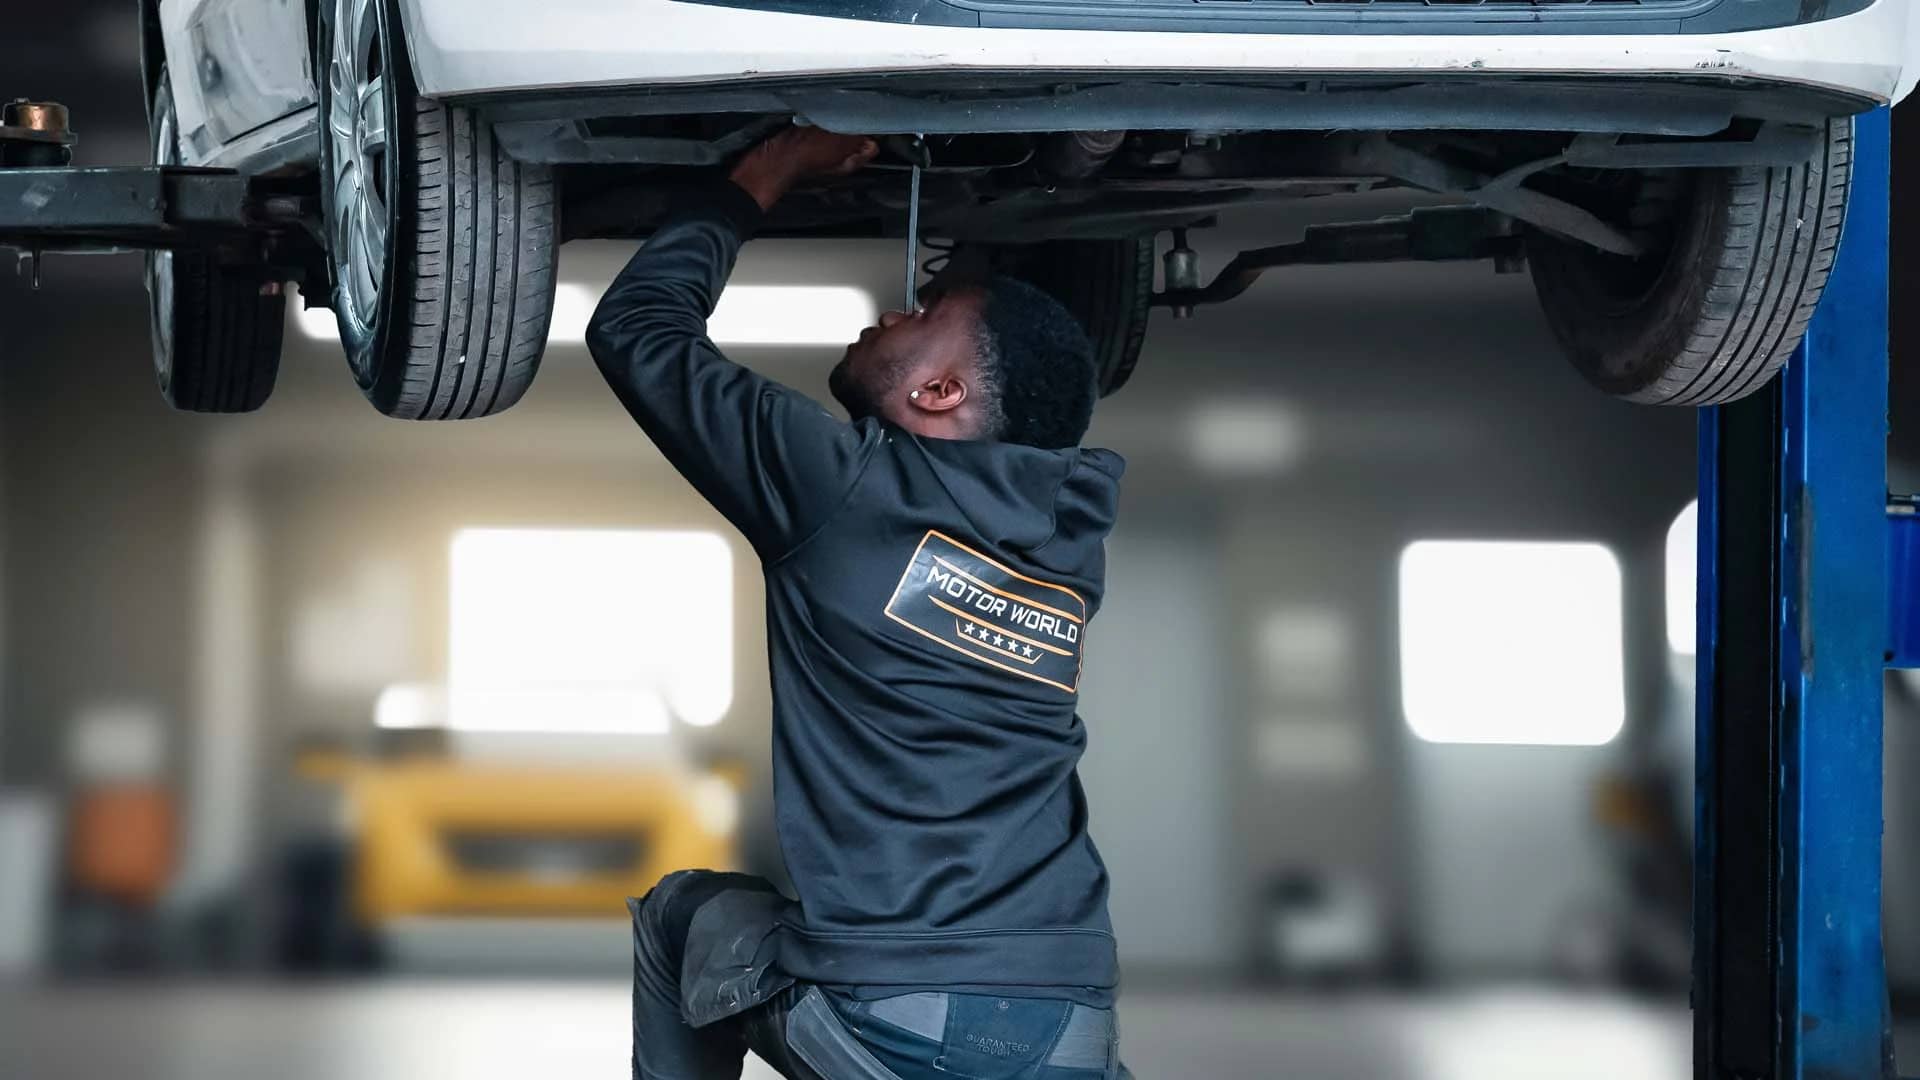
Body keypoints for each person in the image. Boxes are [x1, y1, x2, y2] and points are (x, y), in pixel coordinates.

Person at [588, 126, 1128, 1080]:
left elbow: (637, 327)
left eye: (919, 315)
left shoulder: (839, 487)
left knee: (682, 913)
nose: (888, 317)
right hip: (1071, 1014)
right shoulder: (1072, 532)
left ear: (942, 389)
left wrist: (767, 172)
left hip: (896, 1011)